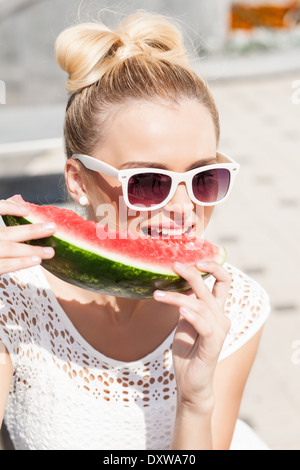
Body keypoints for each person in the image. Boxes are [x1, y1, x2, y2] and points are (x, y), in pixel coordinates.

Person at [0, 12, 271, 450]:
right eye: (148, 182)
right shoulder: (13, 292)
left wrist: (196, 400)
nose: (184, 209)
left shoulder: (235, 308)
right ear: (76, 180)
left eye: (205, 179)